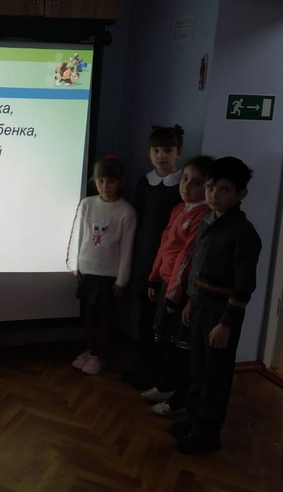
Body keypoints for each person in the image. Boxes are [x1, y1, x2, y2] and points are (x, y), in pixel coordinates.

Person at [168, 157, 262, 454]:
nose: (214, 195)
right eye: (210, 188)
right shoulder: (208, 220)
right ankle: (195, 420)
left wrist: (226, 324)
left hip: (221, 315)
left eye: (224, 190)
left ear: (241, 194)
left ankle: (208, 433)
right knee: (198, 368)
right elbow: (198, 268)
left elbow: (244, 285)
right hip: (200, 307)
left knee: (215, 375)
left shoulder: (244, 234)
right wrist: (191, 301)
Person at [141, 156, 213, 416]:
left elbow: (186, 259)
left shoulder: (202, 216)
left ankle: (179, 395)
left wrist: (174, 295)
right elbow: (165, 246)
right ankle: (167, 385)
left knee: (181, 345)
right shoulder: (178, 209)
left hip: (180, 292)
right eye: (185, 179)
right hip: (166, 285)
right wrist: (154, 277)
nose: (187, 186)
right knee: (167, 340)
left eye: (197, 183)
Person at [124, 125, 185, 389]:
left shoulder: (182, 184)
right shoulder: (144, 182)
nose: (161, 155)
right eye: (156, 150)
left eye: (167, 150)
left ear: (178, 152)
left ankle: (161, 373)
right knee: (145, 315)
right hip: (144, 258)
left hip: (169, 262)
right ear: (149, 153)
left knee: (165, 319)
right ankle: (145, 367)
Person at [66, 156, 137, 375]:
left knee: (106, 318)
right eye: (101, 181)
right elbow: (77, 234)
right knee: (90, 316)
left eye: (111, 181)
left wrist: (122, 280)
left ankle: (100, 356)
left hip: (109, 276)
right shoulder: (87, 204)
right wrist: (73, 263)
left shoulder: (126, 211)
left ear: (120, 182)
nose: (105, 186)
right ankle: (90, 350)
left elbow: (127, 249)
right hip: (87, 271)